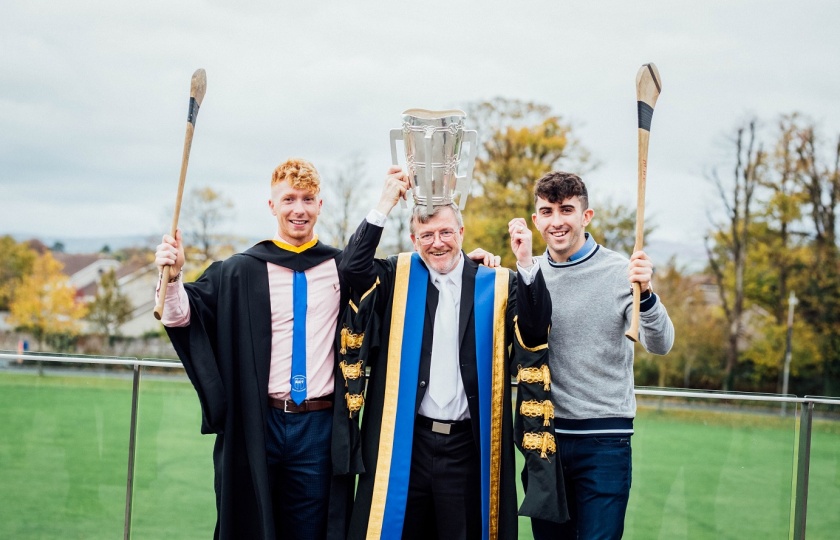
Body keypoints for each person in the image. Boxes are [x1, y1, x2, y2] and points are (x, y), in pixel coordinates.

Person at [337, 166, 547, 540]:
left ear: (462, 233)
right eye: (427, 235)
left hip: (468, 448)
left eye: (446, 232)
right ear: (414, 239)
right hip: (406, 443)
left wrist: (527, 263)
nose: (437, 243)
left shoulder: (496, 284)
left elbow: (533, 332)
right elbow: (351, 269)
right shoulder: (397, 276)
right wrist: (385, 202)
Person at [154, 158, 347, 540]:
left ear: (320, 206)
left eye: (307, 199)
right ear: (272, 205)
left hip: (319, 426)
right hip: (259, 423)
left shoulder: (340, 268)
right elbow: (180, 317)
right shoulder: (240, 270)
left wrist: (473, 262)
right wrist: (173, 278)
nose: (298, 209)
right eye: (288, 199)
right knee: (251, 525)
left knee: (311, 530)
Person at [509, 171, 675, 540]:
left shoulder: (622, 272)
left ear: (586, 216)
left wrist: (646, 293)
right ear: (536, 220)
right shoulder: (526, 276)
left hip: (604, 442)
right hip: (545, 441)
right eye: (547, 212)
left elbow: (662, 343)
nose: (557, 221)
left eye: (567, 210)